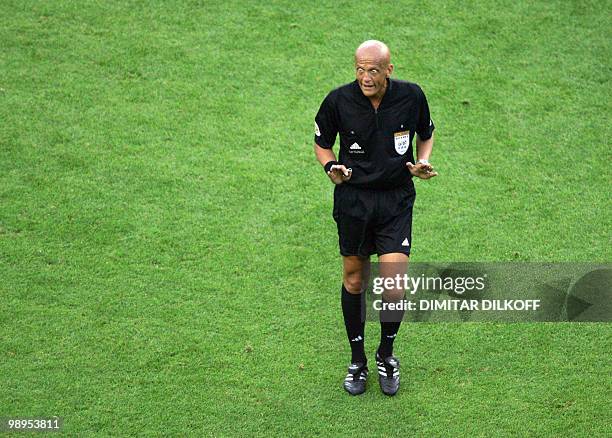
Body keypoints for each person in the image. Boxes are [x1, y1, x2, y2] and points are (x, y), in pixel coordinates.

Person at [313, 40, 437, 396]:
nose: (365, 77)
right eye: (359, 69)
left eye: (373, 71)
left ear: (388, 70)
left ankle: (386, 354)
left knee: (394, 284)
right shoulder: (338, 100)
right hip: (354, 202)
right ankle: (357, 361)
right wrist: (330, 168)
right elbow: (322, 143)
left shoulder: (411, 96)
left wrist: (422, 161)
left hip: (395, 200)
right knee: (354, 280)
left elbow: (426, 134)